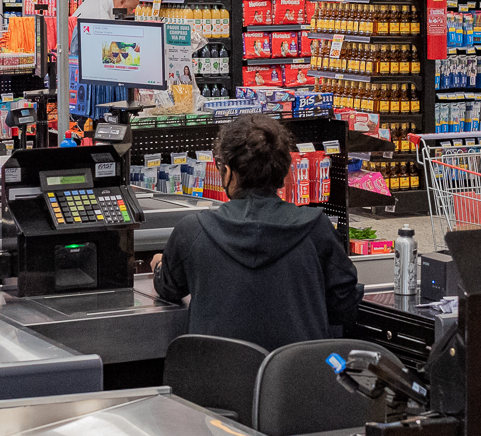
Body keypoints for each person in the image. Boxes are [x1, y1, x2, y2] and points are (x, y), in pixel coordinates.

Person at [151, 114, 360, 349]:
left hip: (216, 378)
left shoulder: (193, 231)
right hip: (295, 379)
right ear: (285, 173)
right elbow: (344, 305)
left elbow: (169, 287)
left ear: (229, 173)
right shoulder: (317, 229)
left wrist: (159, 265)